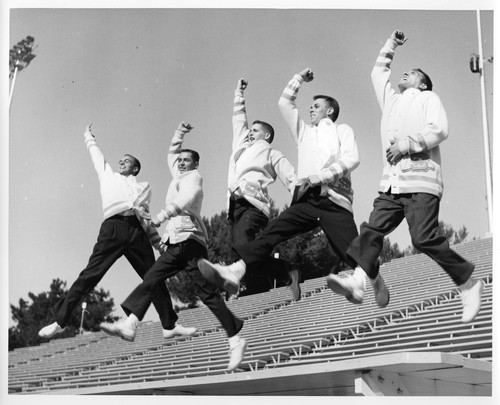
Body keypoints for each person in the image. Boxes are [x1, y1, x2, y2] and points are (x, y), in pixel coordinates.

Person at [327, 30, 484, 323]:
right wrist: (391, 45)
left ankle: (468, 282)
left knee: (423, 238)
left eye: (412, 74)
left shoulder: (428, 98)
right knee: (372, 230)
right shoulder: (392, 100)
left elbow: (440, 130)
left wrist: (405, 145)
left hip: (421, 180)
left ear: (422, 83)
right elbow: (378, 72)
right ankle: (359, 281)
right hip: (391, 183)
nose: (406, 74)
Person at [198, 68, 360, 298]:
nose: (310, 109)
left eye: (316, 106)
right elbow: (285, 103)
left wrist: (323, 176)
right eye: (310, 106)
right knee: (272, 232)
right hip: (309, 200)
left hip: (335, 201)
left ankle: (369, 278)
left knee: (351, 251)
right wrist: (298, 80)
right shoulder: (303, 132)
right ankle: (236, 270)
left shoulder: (342, 130)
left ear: (330, 110)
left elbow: (352, 158)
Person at [99, 122, 247, 371]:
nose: (181, 162)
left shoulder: (194, 177)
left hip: (192, 243)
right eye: (180, 160)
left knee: (206, 294)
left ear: (195, 164)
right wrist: (179, 134)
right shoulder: (178, 174)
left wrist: (164, 214)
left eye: (186, 160)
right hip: (177, 243)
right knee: (152, 278)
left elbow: (185, 199)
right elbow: (171, 154)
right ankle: (132, 322)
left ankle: (235, 338)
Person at [38, 124, 179, 339]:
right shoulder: (108, 176)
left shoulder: (143, 187)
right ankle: (60, 321)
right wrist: (89, 137)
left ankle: (169, 325)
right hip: (112, 228)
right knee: (91, 274)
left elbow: (146, 219)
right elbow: (97, 156)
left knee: (154, 276)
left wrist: (158, 244)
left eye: (127, 160)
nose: (121, 162)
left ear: (135, 168)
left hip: (137, 232)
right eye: (120, 160)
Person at [228, 78, 300, 300]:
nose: (250, 132)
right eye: (250, 129)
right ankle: (284, 273)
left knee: (242, 248)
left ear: (266, 136)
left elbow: (291, 177)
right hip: (234, 206)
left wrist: (302, 198)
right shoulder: (241, 146)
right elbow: (239, 122)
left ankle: (286, 270)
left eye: (256, 130)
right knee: (239, 254)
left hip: (254, 206)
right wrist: (239, 94)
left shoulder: (270, 152)